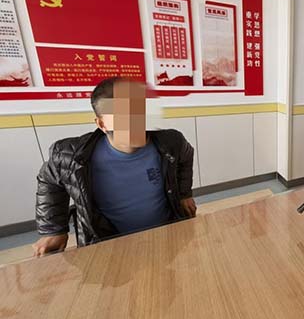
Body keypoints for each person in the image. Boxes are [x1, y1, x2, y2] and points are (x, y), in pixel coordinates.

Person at [33, 77, 197, 256]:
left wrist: (184, 194)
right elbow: (49, 180)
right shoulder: (69, 155)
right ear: (102, 124)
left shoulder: (171, 142)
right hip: (109, 245)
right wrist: (53, 229)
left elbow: (186, 157)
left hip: (165, 235)